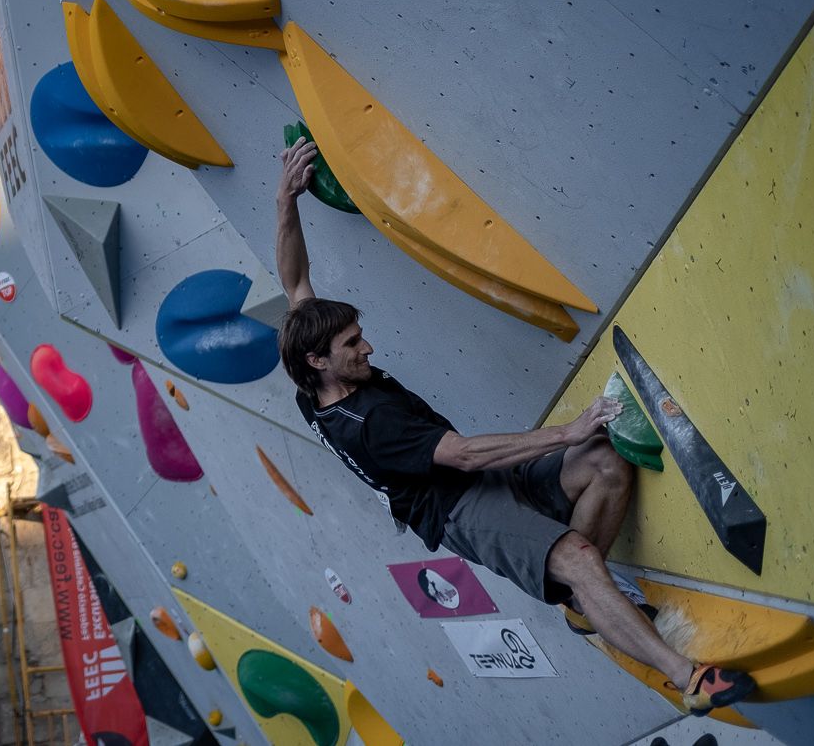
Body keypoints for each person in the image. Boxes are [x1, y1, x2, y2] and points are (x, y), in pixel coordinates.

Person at [272, 137, 755, 718]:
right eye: (352, 344)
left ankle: (586, 599)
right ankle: (688, 678)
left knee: (605, 460)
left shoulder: (313, 379)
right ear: (320, 361)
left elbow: (296, 283)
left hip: (481, 480)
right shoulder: (369, 423)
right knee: (576, 552)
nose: (367, 347)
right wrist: (565, 431)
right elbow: (468, 456)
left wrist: (286, 202)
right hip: (460, 510)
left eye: (359, 333)